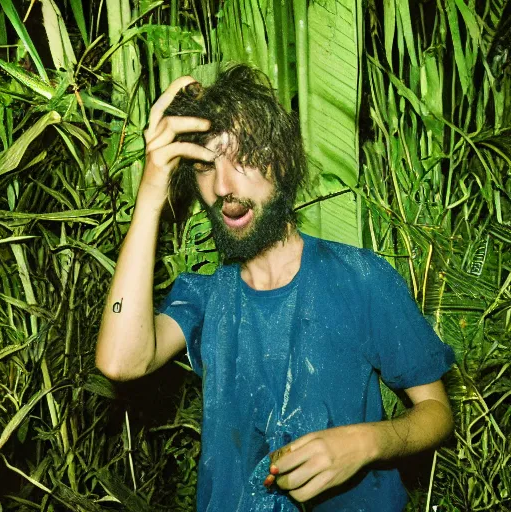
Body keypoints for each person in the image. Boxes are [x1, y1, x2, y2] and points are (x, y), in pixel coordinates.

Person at [96, 65, 455, 511]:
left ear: (281, 161)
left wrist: (365, 443)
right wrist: (150, 192)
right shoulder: (206, 298)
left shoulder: (362, 278)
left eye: (243, 157)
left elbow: (436, 413)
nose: (224, 187)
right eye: (205, 166)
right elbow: (120, 361)